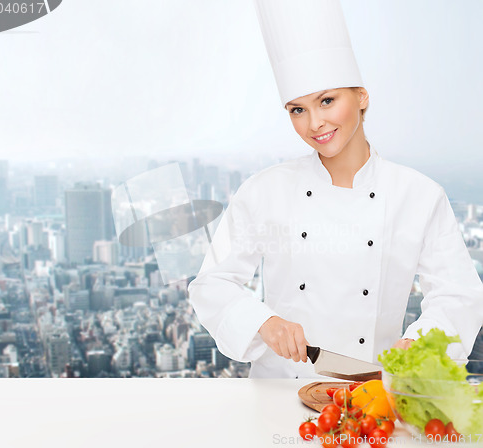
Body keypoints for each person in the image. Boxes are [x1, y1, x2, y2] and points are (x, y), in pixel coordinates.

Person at [187, 0, 483, 378]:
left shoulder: (420, 195)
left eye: (327, 101)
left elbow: (459, 294)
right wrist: (265, 322)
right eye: (297, 109)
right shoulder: (265, 191)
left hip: (372, 393)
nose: (315, 123)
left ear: (361, 97)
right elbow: (211, 284)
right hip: (279, 391)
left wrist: (421, 340)